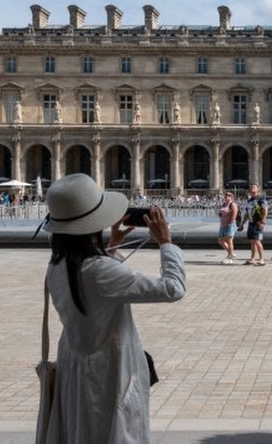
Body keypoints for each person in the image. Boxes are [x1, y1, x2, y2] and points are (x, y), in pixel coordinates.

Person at [39, 173, 186, 443]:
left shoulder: (57, 265)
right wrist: (166, 242)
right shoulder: (99, 271)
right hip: (109, 370)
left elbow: (97, 287)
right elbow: (172, 288)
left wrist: (110, 247)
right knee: (113, 430)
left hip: (74, 366)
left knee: (81, 430)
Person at [244, 189, 266, 266]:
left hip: (258, 223)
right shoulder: (250, 200)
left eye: (254, 188)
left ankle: (262, 259)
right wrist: (242, 224)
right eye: (251, 190)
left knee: (257, 241)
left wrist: (262, 222)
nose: (252, 190)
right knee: (253, 241)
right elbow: (247, 213)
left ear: (258, 191)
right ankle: (252, 259)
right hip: (251, 223)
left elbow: (265, 210)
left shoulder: (261, 199)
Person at [217, 191, 239, 264]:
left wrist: (230, 223)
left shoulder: (233, 204)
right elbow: (220, 213)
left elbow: (234, 214)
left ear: (231, 197)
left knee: (229, 240)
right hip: (222, 224)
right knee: (220, 240)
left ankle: (230, 257)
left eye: (229, 195)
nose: (227, 196)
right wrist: (220, 214)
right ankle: (231, 253)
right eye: (226, 195)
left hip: (230, 224)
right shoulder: (224, 204)